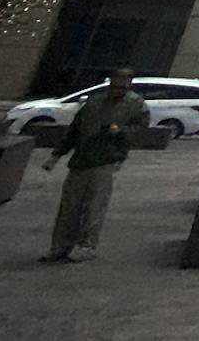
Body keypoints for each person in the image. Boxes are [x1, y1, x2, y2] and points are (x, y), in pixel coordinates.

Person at [41, 67, 148, 263]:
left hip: (106, 159)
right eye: (114, 84)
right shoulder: (95, 102)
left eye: (122, 85)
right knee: (69, 207)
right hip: (82, 159)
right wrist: (56, 155)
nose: (117, 89)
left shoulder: (135, 104)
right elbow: (75, 130)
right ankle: (60, 246)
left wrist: (121, 131)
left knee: (94, 206)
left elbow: (141, 130)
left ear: (129, 84)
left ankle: (87, 246)